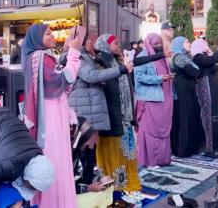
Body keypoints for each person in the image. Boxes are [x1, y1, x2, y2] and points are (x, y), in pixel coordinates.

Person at [22, 24, 81, 208]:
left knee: (51, 158)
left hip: (48, 114)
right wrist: (73, 53)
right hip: (51, 116)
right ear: (37, 38)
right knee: (56, 159)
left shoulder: (34, 57)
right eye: (47, 33)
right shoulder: (42, 57)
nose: (51, 36)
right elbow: (63, 79)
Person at [67, 28, 131, 185]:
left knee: (91, 146)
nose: (90, 42)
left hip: (93, 106)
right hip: (84, 107)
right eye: (87, 39)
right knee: (83, 147)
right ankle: (82, 181)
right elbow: (91, 76)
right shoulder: (78, 58)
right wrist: (121, 69)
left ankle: (88, 179)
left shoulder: (91, 58)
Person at [94, 34, 140, 192]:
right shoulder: (100, 60)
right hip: (112, 114)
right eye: (115, 43)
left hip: (123, 116)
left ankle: (126, 182)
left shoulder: (116, 60)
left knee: (126, 152)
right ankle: (115, 186)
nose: (118, 45)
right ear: (105, 45)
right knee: (113, 152)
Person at [134, 33, 174, 167]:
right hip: (150, 99)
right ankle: (149, 159)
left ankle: (162, 158)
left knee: (163, 129)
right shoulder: (143, 56)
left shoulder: (162, 56)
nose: (158, 46)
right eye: (155, 44)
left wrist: (167, 77)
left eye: (159, 43)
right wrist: (159, 79)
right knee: (151, 130)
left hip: (164, 97)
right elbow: (139, 76)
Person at [192, 36, 218, 153]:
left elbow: (214, 61)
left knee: (216, 116)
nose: (205, 43)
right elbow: (213, 60)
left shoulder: (205, 56)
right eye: (203, 42)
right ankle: (210, 148)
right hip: (206, 88)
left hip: (213, 87)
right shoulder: (197, 57)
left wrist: (209, 50)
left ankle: (217, 145)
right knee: (209, 117)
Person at [170, 37, 203, 158]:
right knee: (184, 117)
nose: (189, 44)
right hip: (182, 90)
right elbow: (195, 72)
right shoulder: (178, 57)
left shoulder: (186, 57)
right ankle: (182, 149)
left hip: (188, 90)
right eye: (187, 42)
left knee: (190, 116)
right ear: (179, 44)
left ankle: (190, 147)